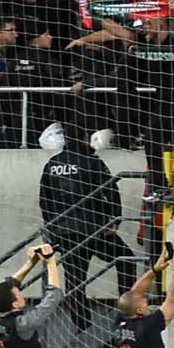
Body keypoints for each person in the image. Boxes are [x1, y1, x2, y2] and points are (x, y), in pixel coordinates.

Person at [37, 126, 128, 311]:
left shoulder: (52, 164)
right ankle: (126, 310)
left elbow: (44, 200)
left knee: (75, 282)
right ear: (84, 138)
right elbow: (111, 190)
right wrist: (115, 219)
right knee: (126, 260)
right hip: (93, 229)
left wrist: (52, 227)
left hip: (64, 232)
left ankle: (81, 327)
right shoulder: (91, 162)